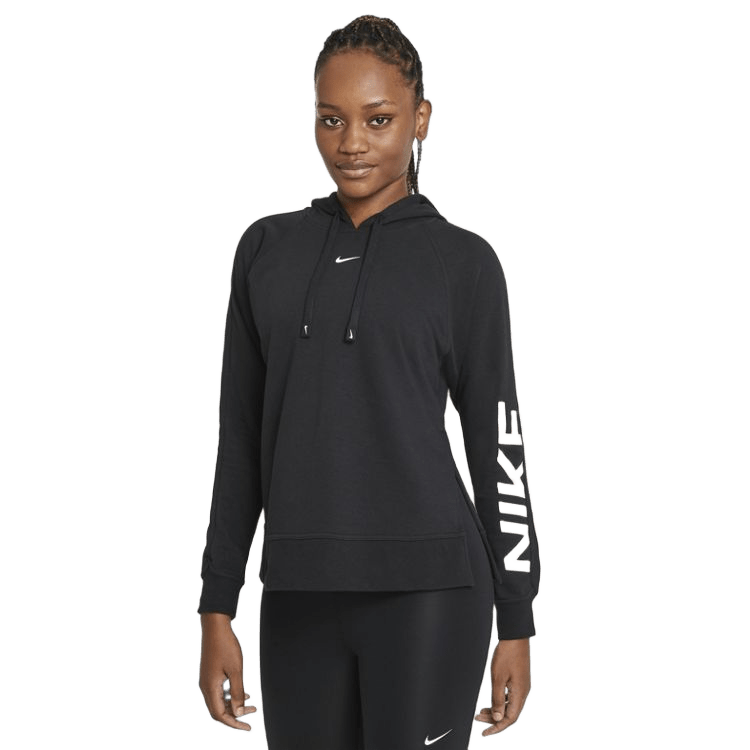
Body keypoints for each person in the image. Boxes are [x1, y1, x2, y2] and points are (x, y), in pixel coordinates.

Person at [196, 13, 542, 748]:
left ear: (421, 119)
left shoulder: (464, 264)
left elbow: (500, 446)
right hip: (297, 591)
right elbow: (240, 440)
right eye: (331, 119)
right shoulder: (266, 250)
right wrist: (216, 603)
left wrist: (518, 618)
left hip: (432, 591)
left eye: (378, 119)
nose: (351, 142)